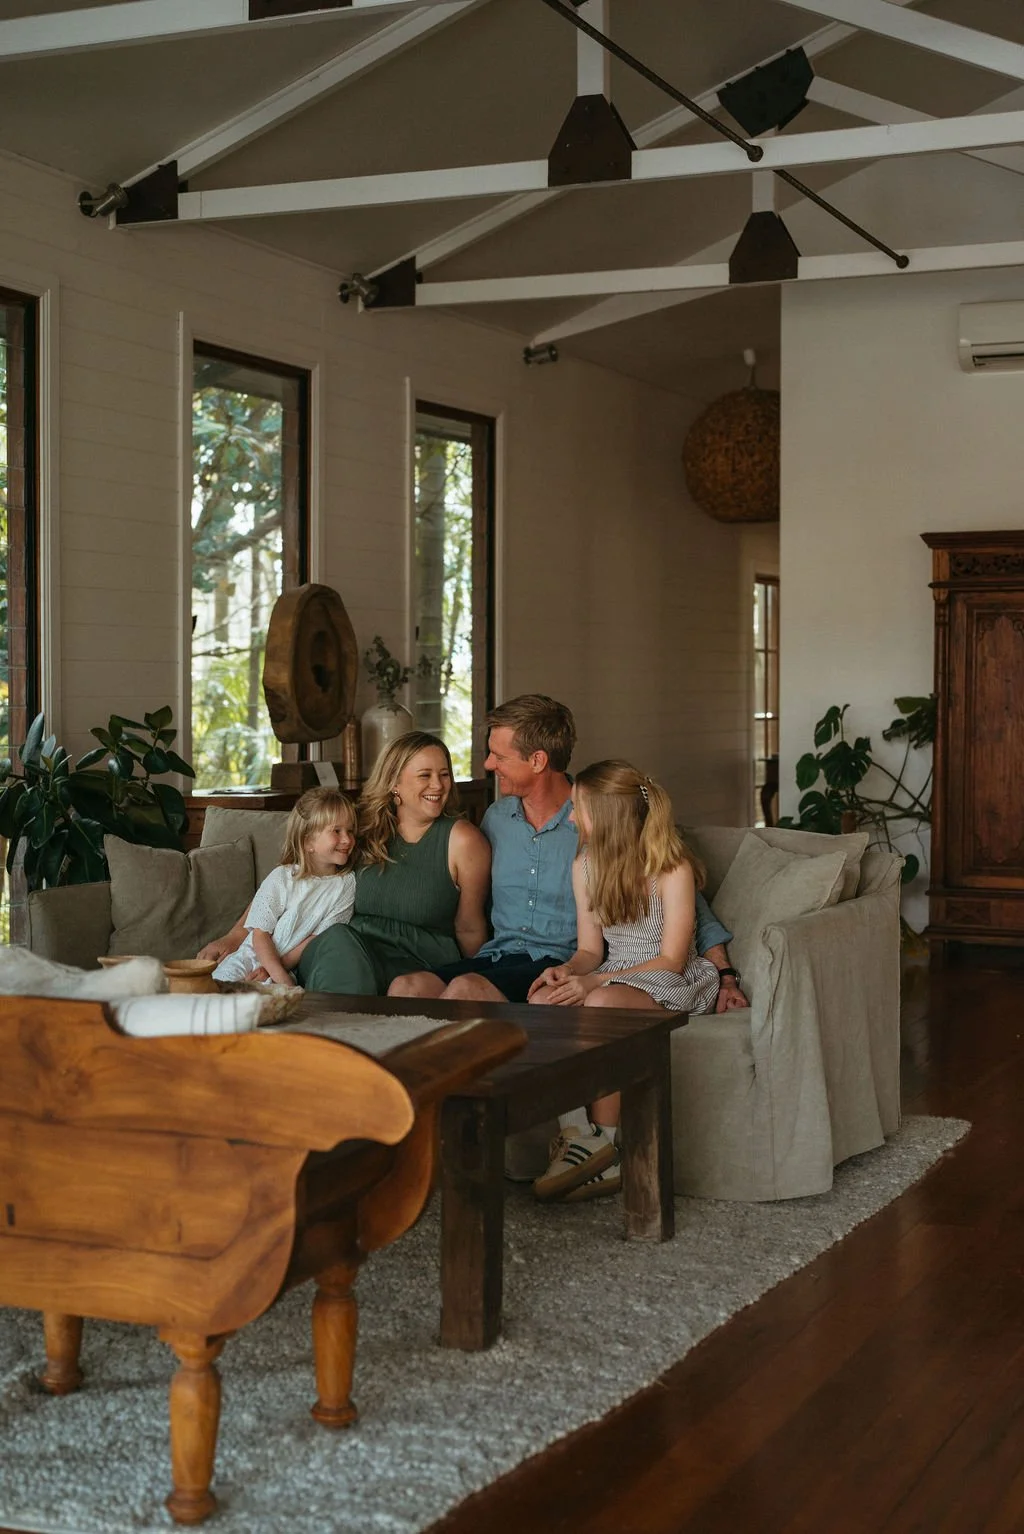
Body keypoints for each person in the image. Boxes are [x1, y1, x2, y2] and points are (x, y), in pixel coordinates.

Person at [389, 694, 748, 1012]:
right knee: (406, 988)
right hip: (498, 957)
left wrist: (726, 977)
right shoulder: (497, 819)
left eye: (499, 756)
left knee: (464, 991)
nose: (487, 765)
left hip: (555, 960)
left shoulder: (609, 821)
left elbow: (688, 916)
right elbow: (466, 904)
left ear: (538, 761)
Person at [526, 760, 720, 1203]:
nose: (570, 817)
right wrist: (570, 972)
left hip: (668, 980)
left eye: (578, 808)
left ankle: (607, 1146)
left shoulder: (671, 869)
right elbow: (590, 950)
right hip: (613, 977)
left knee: (601, 1006)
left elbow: (671, 959)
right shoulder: (586, 865)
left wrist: (595, 984)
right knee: (542, 1003)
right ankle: (576, 1135)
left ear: (609, 816)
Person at [289, 732, 491, 994]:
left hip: (418, 965)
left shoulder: (463, 840)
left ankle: (331, 1027)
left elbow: (469, 927)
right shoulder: (359, 828)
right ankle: (334, 1028)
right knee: (338, 940)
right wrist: (239, 936)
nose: (438, 785)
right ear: (394, 781)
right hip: (347, 953)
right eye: (425, 775)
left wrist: (480, 984)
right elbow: (294, 876)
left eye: (444, 774)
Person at [211, 787, 357, 987]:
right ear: (308, 842)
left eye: (350, 831)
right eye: (337, 831)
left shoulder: (345, 885)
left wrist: (280, 976)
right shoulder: (282, 877)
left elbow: (315, 939)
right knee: (215, 994)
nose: (347, 839)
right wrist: (277, 975)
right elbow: (260, 934)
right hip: (249, 958)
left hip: (287, 967)